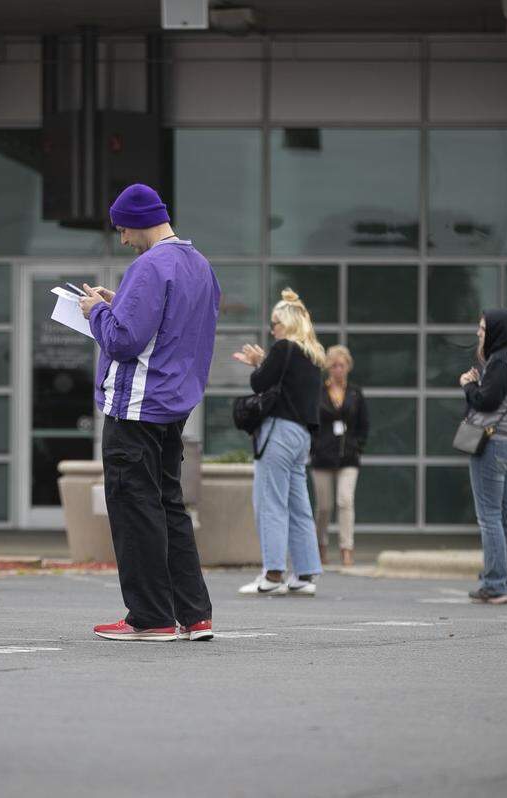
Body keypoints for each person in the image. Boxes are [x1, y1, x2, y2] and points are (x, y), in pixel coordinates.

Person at [79, 183, 218, 642]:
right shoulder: (199, 266)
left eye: (122, 229)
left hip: (134, 410)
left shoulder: (150, 264)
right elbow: (171, 328)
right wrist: (118, 302)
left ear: (138, 221)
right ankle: (194, 614)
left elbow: (122, 342)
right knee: (169, 508)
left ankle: (149, 617)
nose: (123, 240)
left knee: (135, 512)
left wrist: (96, 312)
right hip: (173, 407)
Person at [233, 289, 325, 597]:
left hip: (280, 430)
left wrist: (260, 363)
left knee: (270, 502)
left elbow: (260, 382)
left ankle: (272, 574)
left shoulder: (284, 347)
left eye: (276, 322)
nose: (272, 328)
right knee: (299, 506)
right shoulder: (313, 353)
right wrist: (265, 361)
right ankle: (305, 574)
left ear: (287, 322)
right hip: (302, 436)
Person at [460, 310, 507, 606]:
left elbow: (486, 401)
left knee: (489, 517)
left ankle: (494, 585)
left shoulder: (501, 360)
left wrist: (468, 384)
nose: (479, 333)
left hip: (493, 443)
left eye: (482, 328)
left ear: (497, 331)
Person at [310, 344, 369, 567]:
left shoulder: (355, 393)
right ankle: (320, 544)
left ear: (348, 367)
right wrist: (314, 446)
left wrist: (358, 446)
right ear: (328, 367)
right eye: (334, 365)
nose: (338, 369)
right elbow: (311, 422)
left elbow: (364, 424)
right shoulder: (319, 392)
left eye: (342, 365)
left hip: (348, 457)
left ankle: (347, 548)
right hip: (322, 457)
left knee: (345, 500)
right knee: (324, 506)